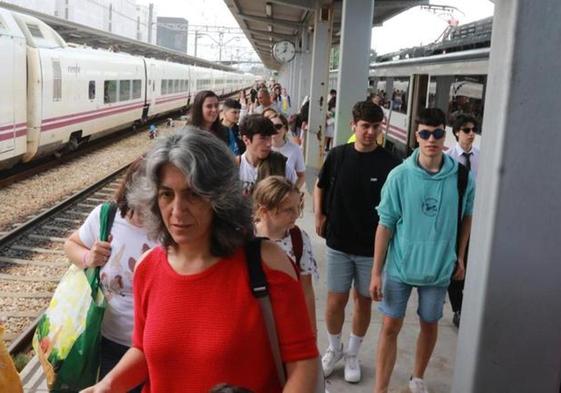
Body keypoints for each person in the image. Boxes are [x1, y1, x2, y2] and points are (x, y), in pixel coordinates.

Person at [80, 131, 319, 393]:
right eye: (166, 194)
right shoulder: (148, 267)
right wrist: (107, 385)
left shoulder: (266, 263)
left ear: (219, 198)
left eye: (193, 194)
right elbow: (144, 351)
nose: (177, 210)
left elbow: (302, 363)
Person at [370, 108, 475, 393]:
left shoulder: (461, 177)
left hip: (439, 268)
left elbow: (467, 216)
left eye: (438, 133)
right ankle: (380, 388)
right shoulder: (399, 176)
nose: (432, 139)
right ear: (416, 136)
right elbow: (385, 225)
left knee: (430, 324)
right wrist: (377, 272)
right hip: (401, 268)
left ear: (445, 135)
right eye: (425, 134)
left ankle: (417, 377)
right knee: (390, 325)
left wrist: (461, 256)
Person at [314, 101, 400, 383]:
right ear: (353, 125)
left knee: (363, 301)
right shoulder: (338, 155)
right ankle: (334, 347)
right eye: (365, 126)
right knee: (335, 299)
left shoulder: (390, 163)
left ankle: (352, 352)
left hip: (370, 248)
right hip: (339, 242)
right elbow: (320, 185)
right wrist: (319, 215)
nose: (370, 132)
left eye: (376, 127)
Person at [65, 158, 156, 393]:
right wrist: (88, 258)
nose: (153, 212)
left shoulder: (170, 227)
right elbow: (71, 245)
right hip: (108, 339)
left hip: (152, 345)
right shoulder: (107, 216)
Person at [253, 176, 318, 333]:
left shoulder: (298, 239)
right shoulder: (245, 239)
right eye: (288, 209)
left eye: (298, 207)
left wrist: (311, 329)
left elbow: (306, 288)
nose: (296, 214)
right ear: (264, 211)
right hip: (253, 322)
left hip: (288, 321)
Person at [445, 113, 480, 327]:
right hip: (456, 221)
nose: (471, 134)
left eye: (473, 129)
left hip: (477, 219)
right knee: (458, 263)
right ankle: (458, 309)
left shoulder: (481, 157)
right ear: (457, 132)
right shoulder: (448, 159)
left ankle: (469, 306)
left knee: (472, 263)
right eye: (466, 130)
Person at [238, 114, 297, 195]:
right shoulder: (235, 167)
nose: (269, 144)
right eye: (262, 138)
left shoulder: (281, 165)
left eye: (269, 137)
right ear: (246, 140)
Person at [264, 112, 306, 189]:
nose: (274, 129)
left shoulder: (295, 149)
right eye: (271, 126)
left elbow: (302, 176)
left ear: (285, 129)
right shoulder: (262, 148)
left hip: (286, 196)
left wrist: (294, 191)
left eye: (278, 126)